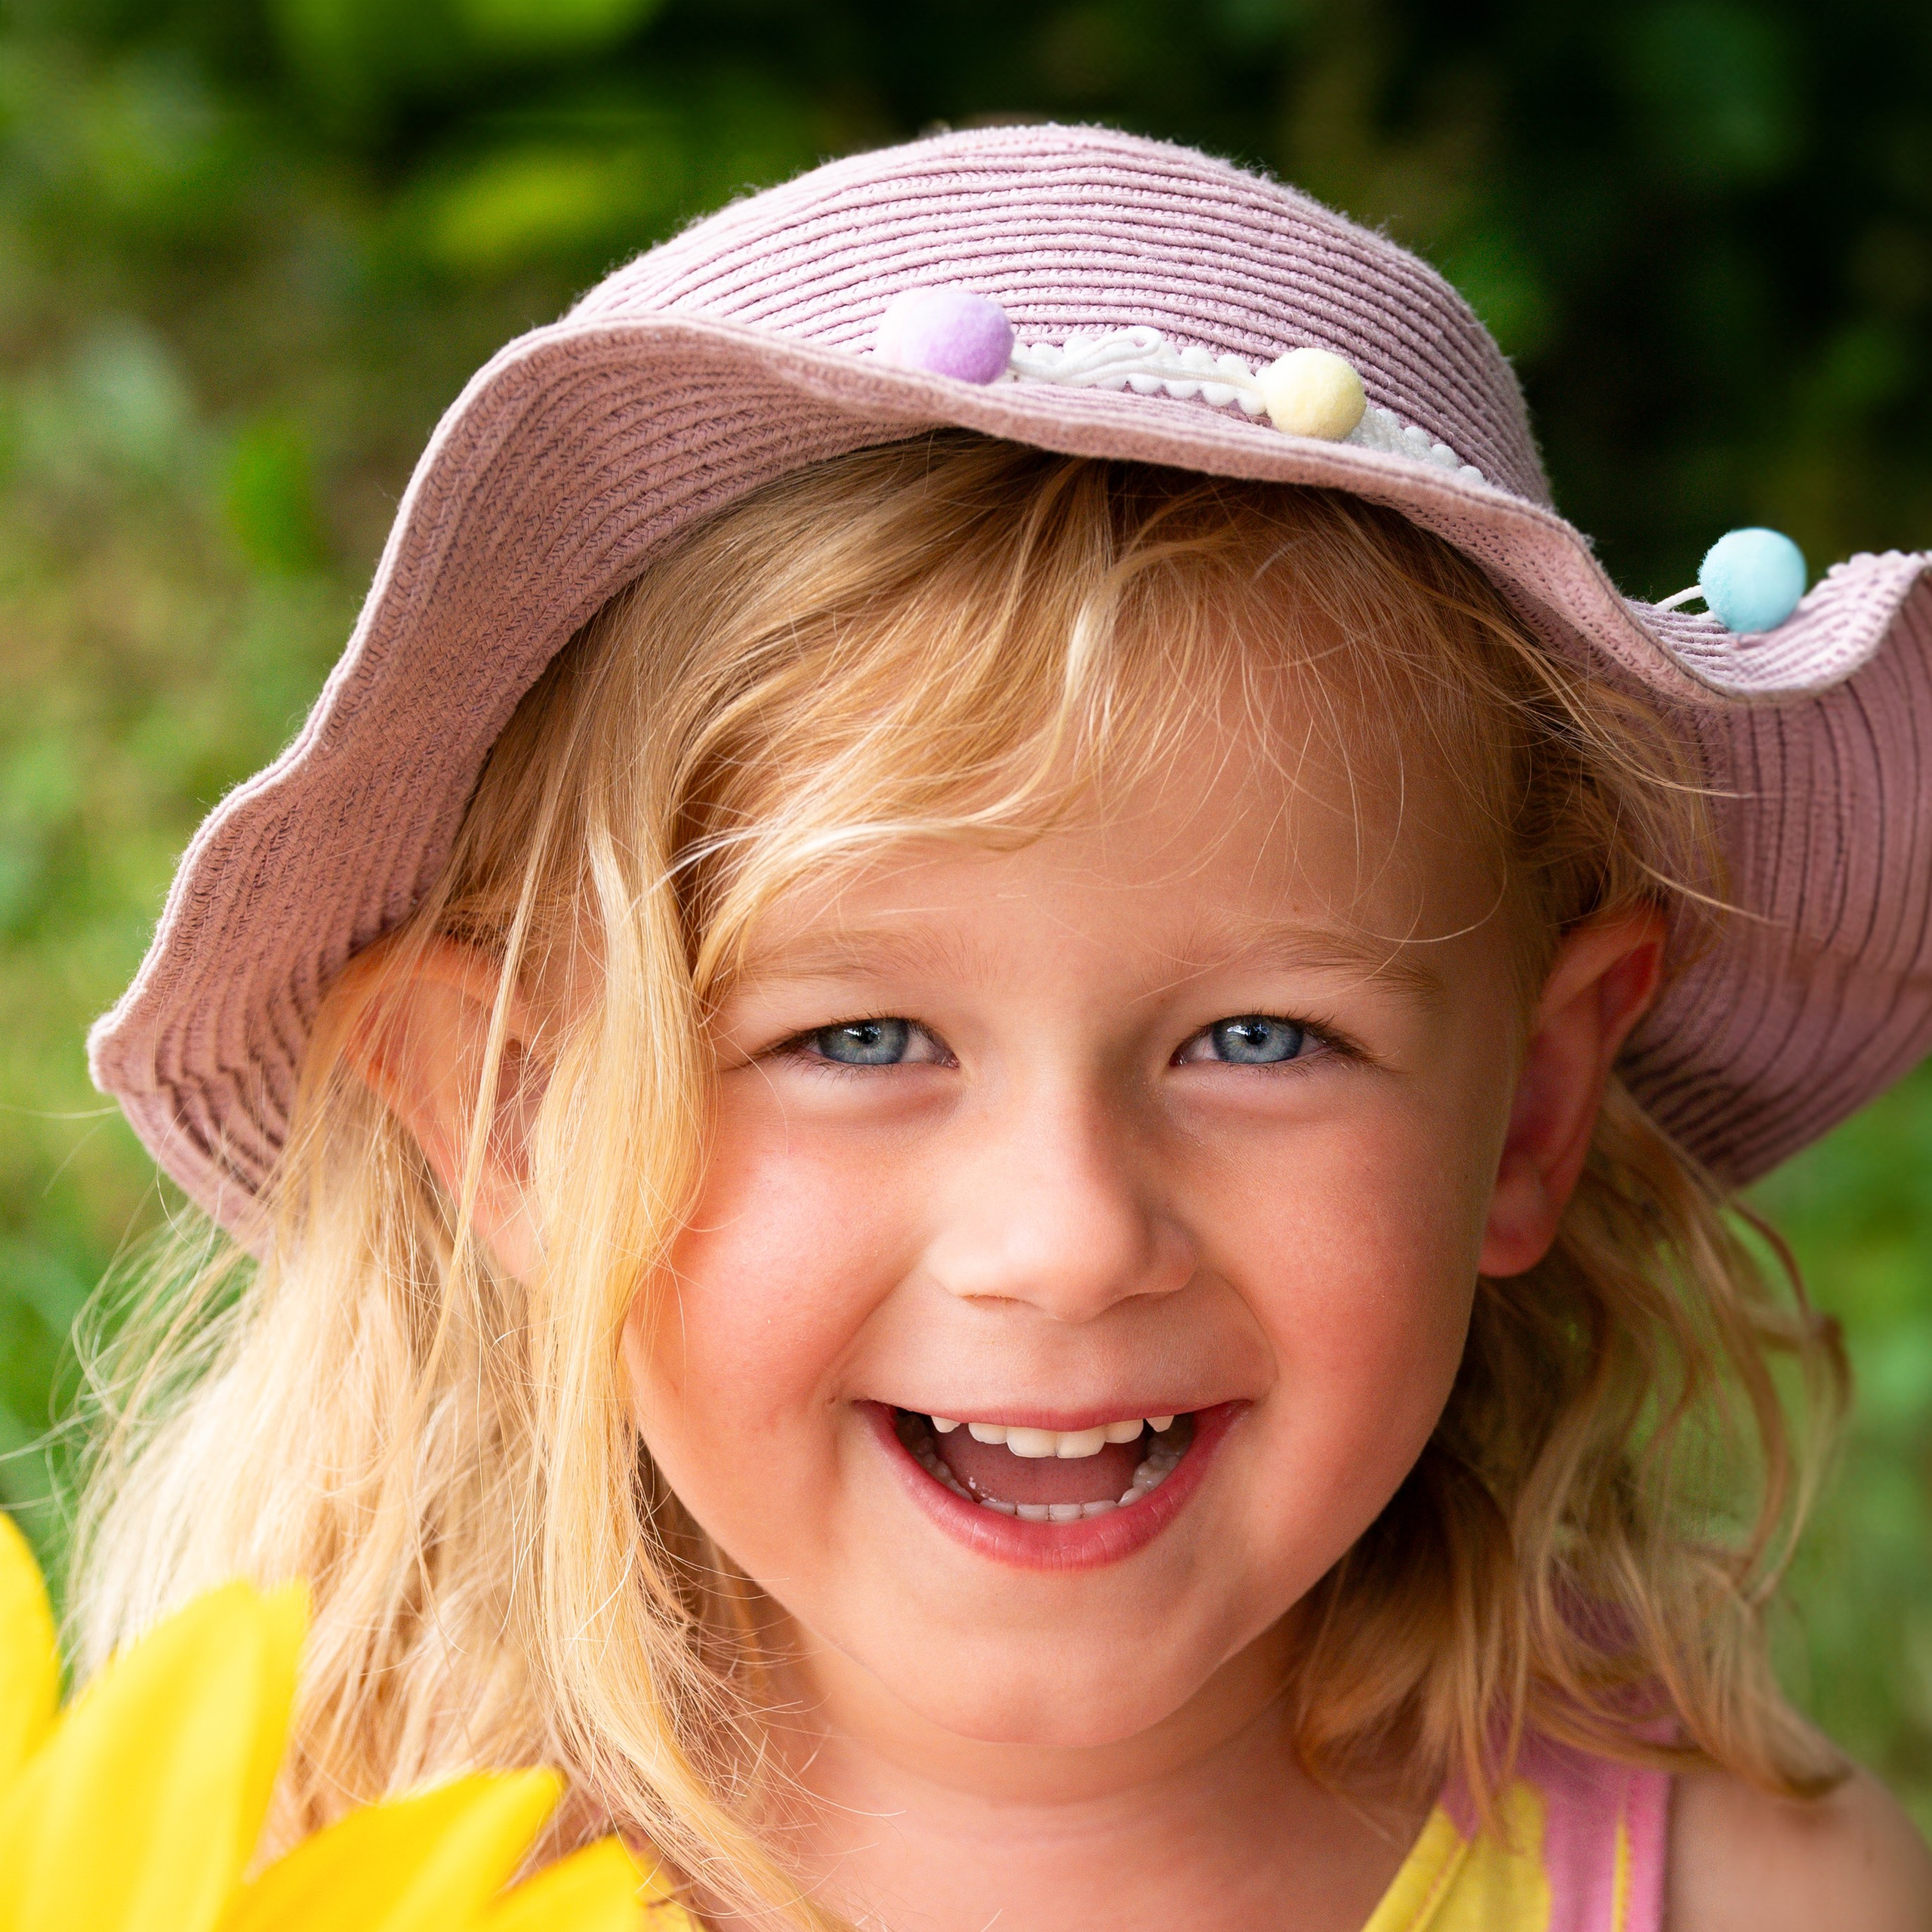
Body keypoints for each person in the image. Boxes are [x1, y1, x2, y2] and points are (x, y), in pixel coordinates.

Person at [72, 125, 1932, 1930]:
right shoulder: (314, 1880)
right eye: (864, 1038)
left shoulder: (1750, 1894)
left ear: (1530, 1105)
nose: (1065, 1239)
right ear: (516, 1121)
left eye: (1263, 1039)